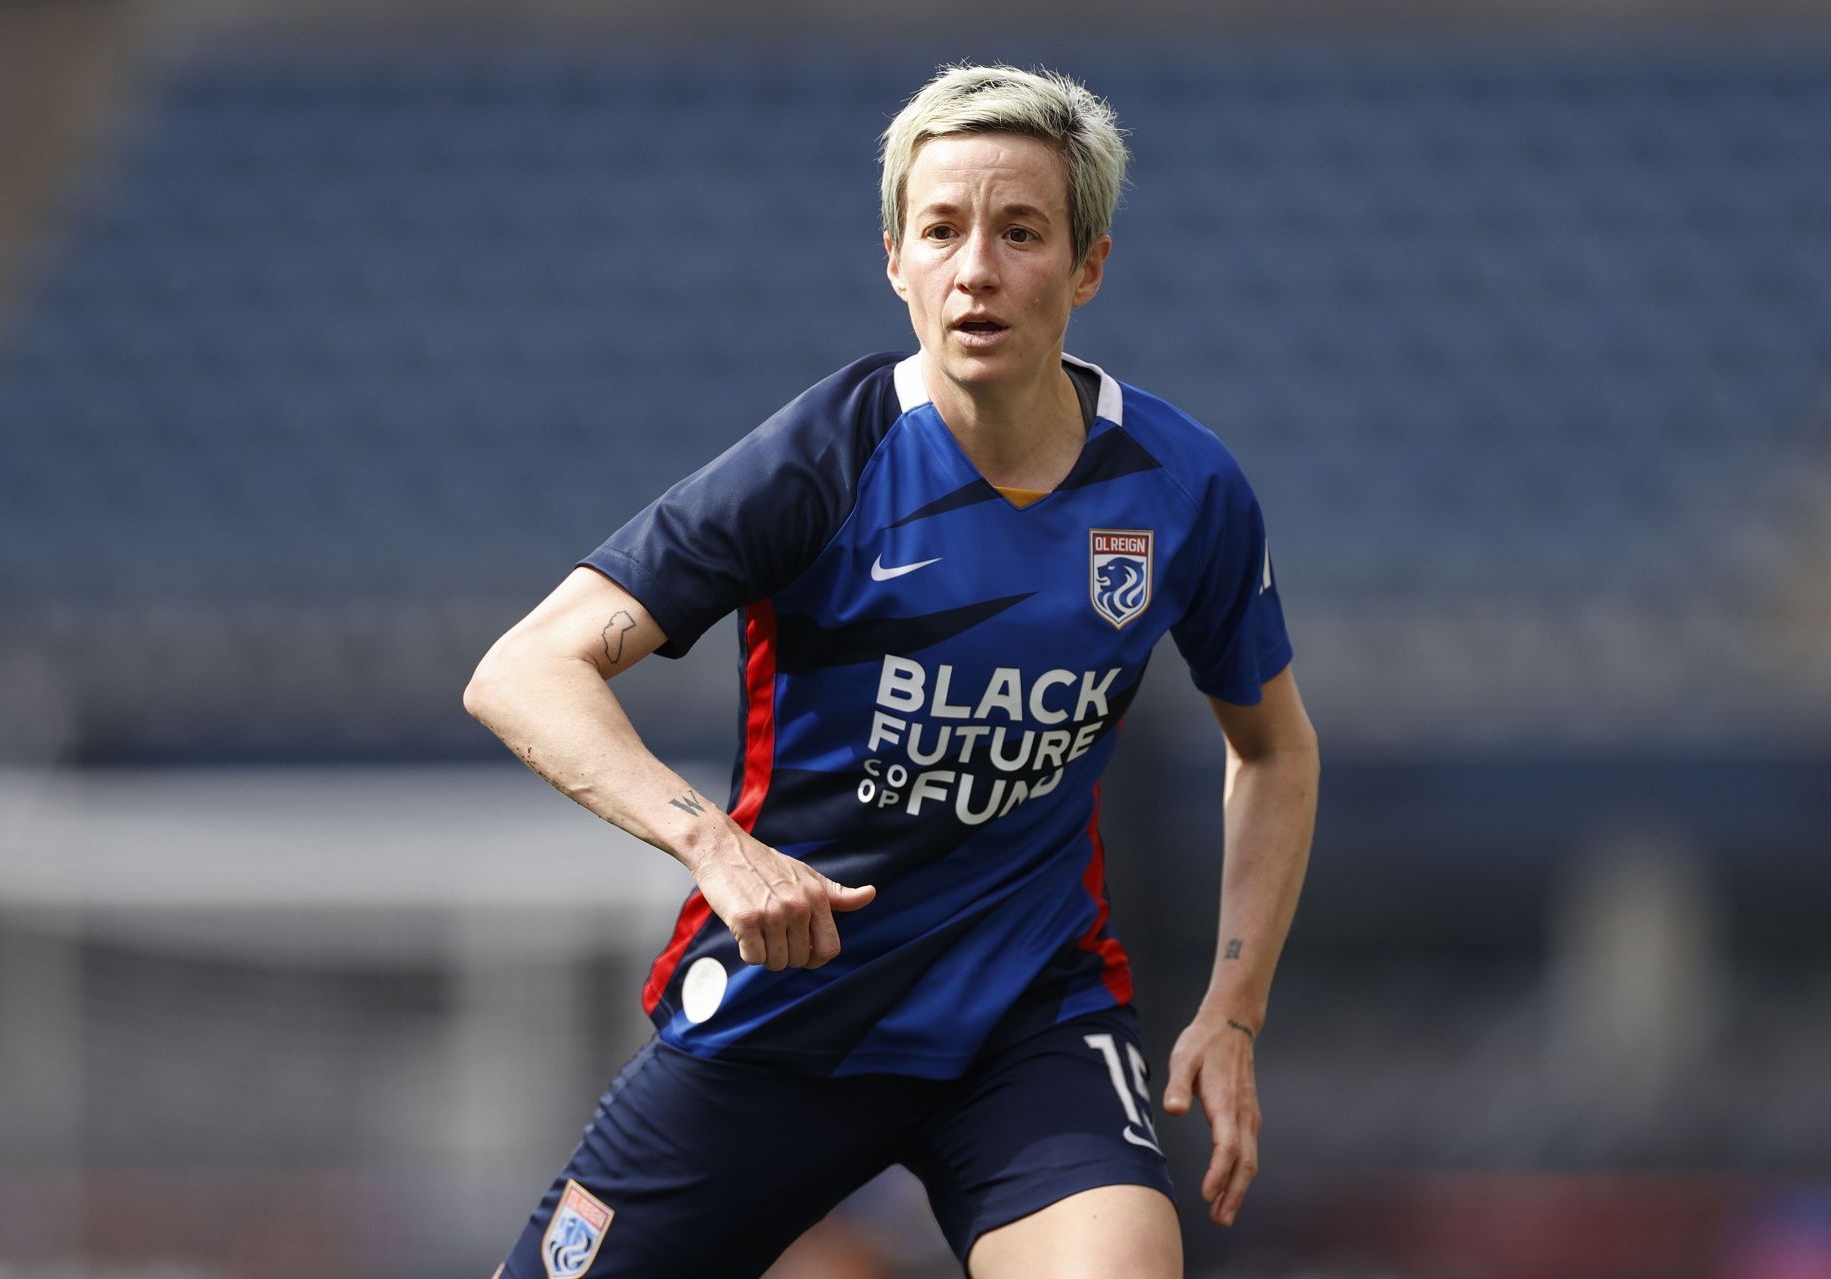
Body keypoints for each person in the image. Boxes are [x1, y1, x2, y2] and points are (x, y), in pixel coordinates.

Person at [466, 62, 1319, 1279]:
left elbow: (1276, 746)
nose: (977, 266)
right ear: (895, 260)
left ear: (1087, 268)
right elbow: (523, 668)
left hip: (1029, 1025)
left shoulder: (1183, 488)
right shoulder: (826, 456)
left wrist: (1234, 1011)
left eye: (1021, 231)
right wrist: (716, 846)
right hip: (786, 1010)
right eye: (943, 229)